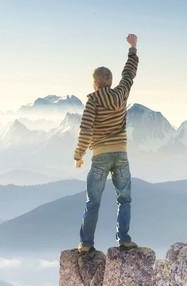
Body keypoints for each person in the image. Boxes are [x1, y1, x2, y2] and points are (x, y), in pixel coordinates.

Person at [74, 33, 139, 254]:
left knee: (93, 201)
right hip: (121, 154)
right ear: (110, 82)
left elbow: (86, 129)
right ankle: (124, 238)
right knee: (125, 198)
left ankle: (86, 243)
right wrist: (132, 48)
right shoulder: (121, 94)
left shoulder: (93, 101)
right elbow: (129, 73)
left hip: (100, 155)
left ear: (95, 82)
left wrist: (78, 154)